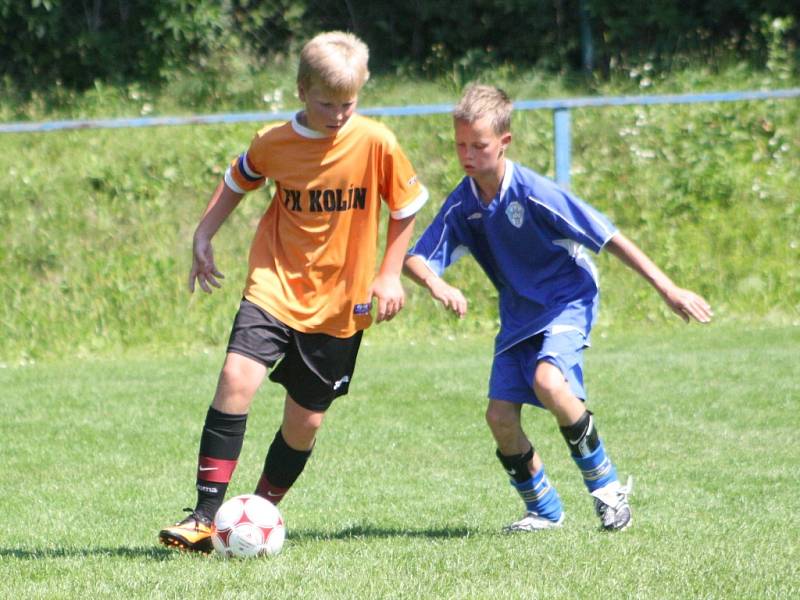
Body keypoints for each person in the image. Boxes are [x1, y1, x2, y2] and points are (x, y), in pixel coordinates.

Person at [158, 31, 428, 552]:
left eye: (348, 104)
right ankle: (205, 516)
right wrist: (203, 233)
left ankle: (255, 514)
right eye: (327, 104)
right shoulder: (274, 142)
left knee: (304, 423)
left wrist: (389, 273)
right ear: (302, 90)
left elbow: (405, 208)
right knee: (236, 379)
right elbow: (239, 178)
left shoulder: (377, 143)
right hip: (274, 284)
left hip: (341, 303)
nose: (338, 115)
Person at [404, 84, 712, 532]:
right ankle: (544, 510)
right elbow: (415, 258)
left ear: (504, 142)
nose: (467, 155)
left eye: (479, 146)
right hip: (519, 311)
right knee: (499, 417)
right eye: (460, 145)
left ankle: (607, 489)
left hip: (568, 297)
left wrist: (668, 289)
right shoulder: (463, 201)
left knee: (549, 381)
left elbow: (608, 236)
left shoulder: (533, 192)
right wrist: (437, 285)